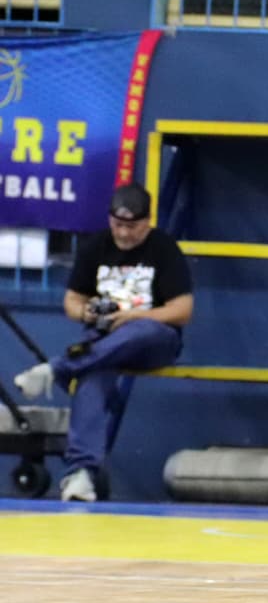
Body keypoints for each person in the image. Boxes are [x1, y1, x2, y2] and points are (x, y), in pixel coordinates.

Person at [13, 182, 194, 502]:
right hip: (103, 342)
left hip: (153, 338)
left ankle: (58, 368)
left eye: (132, 227)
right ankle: (81, 474)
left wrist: (134, 316)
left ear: (147, 222)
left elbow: (182, 310)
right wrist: (86, 312)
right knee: (92, 377)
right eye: (117, 225)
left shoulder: (164, 248)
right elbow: (72, 301)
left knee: (140, 331)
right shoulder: (96, 246)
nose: (123, 233)